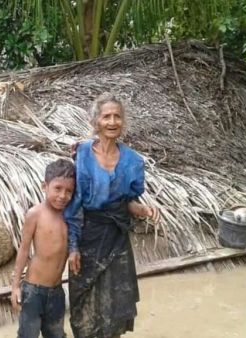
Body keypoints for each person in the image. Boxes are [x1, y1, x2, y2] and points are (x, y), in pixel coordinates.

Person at [64, 92, 160, 338]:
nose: (112, 122)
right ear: (96, 121)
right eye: (106, 116)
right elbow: (75, 206)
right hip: (88, 237)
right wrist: (73, 246)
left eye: (117, 116)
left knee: (117, 302)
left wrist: (144, 210)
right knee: (82, 301)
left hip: (117, 239)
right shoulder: (82, 154)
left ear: (123, 122)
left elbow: (129, 202)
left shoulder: (133, 161)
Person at [11, 158, 76, 338]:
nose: (63, 196)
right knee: (28, 334)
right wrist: (16, 286)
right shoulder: (35, 214)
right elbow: (24, 250)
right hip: (33, 291)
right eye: (57, 188)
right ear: (44, 186)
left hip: (56, 291)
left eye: (69, 191)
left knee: (56, 334)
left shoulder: (71, 217)